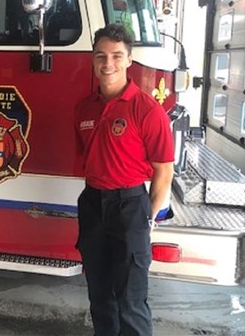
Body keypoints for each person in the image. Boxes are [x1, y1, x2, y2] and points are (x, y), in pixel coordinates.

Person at [74, 23, 174, 336]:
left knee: (130, 299)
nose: (108, 63)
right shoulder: (84, 109)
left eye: (117, 56)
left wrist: (150, 217)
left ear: (129, 60)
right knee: (99, 295)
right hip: (92, 204)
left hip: (130, 206)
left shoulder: (147, 110)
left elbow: (164, 170)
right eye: (101, 56)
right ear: (93, 60)